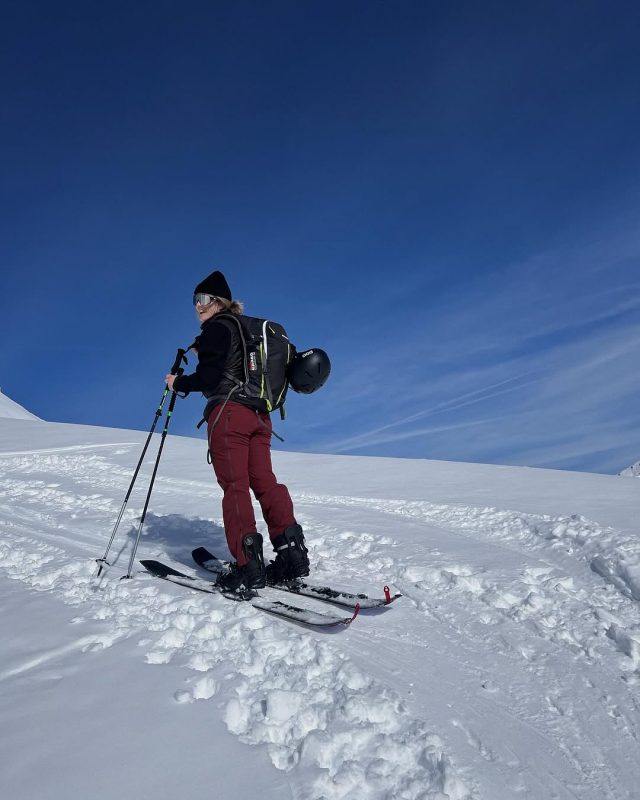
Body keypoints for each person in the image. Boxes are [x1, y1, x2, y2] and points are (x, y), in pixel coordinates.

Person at [165, 269, 310, 592]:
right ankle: (291, 554)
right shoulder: (247, 331)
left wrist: (178, 384)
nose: (197, 306)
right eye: (195, 300)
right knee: (265, 482)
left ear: (219, 302)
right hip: (260, 417)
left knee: (235, 486)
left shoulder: (218, 329)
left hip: (230, 415)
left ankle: (247, 567)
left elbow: (210, 378)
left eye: (203, 299)